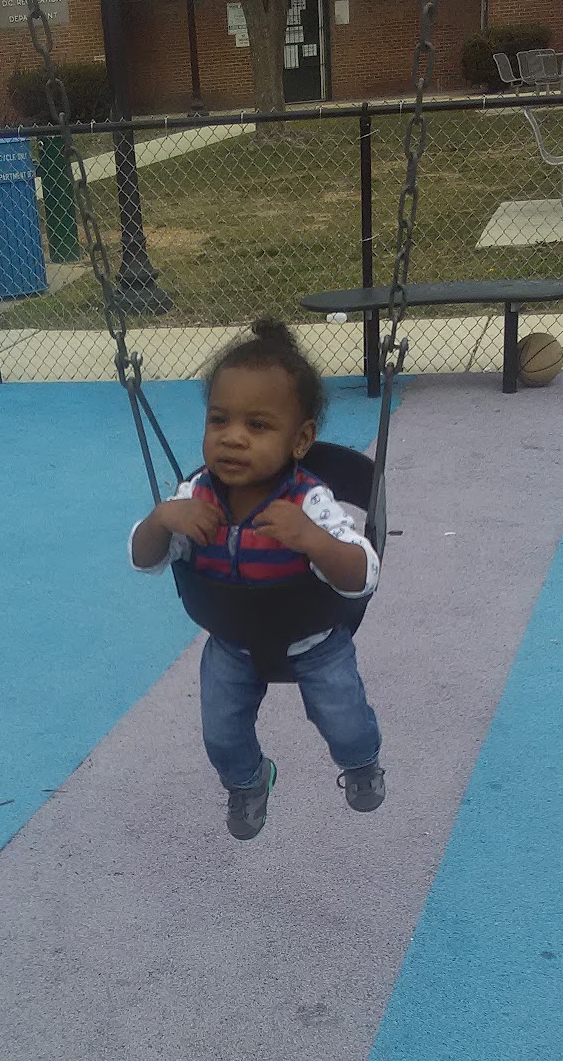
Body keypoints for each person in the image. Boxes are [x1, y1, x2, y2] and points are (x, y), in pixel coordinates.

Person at [129, 318, 384, 840]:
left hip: (315, 640)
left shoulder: (310, 501)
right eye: (219, 420)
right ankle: (249, 781)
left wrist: (313, 540)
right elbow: (144, 559)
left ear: (301, 439)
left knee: (346, 722)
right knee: (221, 732)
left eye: (258, 425)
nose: (233, 438)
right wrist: (161, 519)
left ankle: (362, 764)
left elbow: (364, 573)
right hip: (232, 641)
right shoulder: (194, 497)